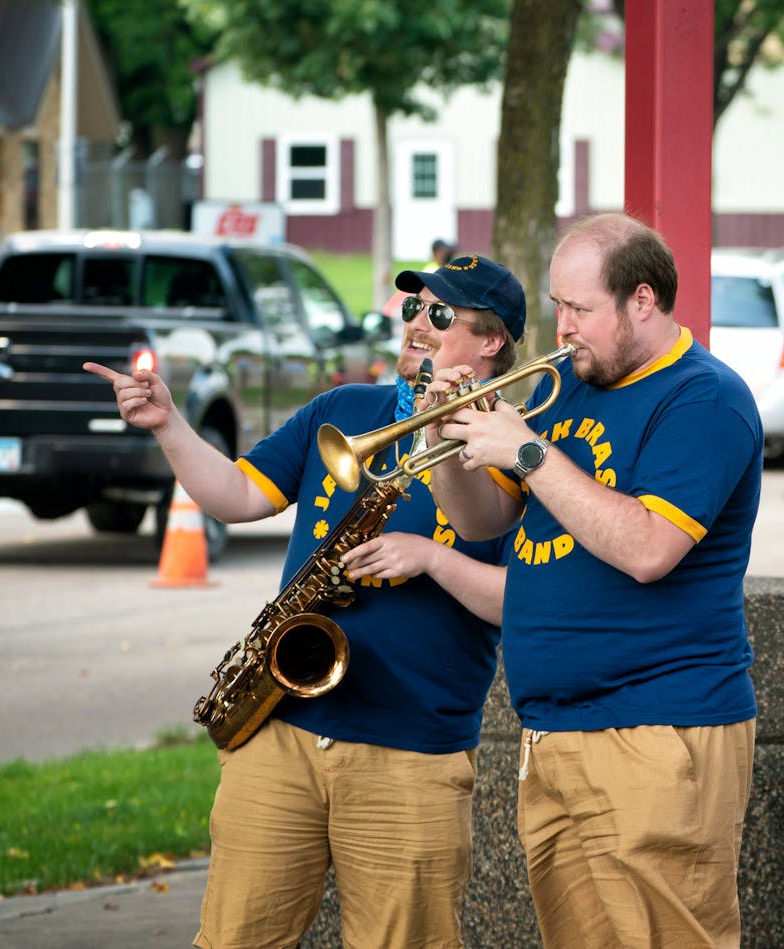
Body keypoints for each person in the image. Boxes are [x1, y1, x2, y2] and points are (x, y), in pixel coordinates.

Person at [83, 253, 527, 947]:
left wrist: (433, 557)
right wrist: (170, 425)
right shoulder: (345, 409)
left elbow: (522, 601)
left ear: (492, 341)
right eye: (412, 307)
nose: (417, 325)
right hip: (282, 730)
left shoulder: (520, 447)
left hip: (409, 751)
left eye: (441, 315)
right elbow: (236, 495)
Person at [424, 213, 763, 948]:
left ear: (642, 300)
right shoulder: (567, 386)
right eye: (556, 306)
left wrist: (528, 451)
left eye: (579, 309)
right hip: (555, 733)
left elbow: (648, 547)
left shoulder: (704, 397)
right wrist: (442, 440)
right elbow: (483, 522)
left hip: (657, 727)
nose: (562, 326)